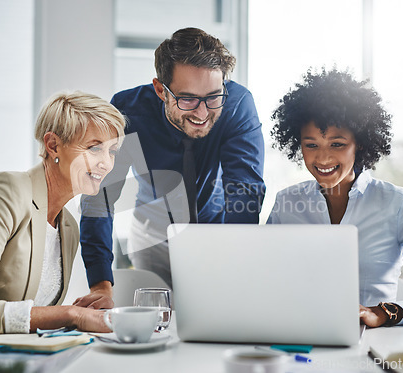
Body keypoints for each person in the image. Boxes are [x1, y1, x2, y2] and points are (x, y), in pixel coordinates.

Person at [76, 27, 265, 306]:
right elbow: (99, 197)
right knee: (158, 322)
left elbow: (244, 191)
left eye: (213, 96)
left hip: (216, 228)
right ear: (160, 90)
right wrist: (100, 283)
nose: (202, 113)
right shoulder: (127, 110)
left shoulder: (236, 105)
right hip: (152, 233)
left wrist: (234, 263)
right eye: (187, 99)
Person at [0, 91, 125, 348]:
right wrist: (71, 315)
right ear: (53, 145)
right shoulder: (4, 191)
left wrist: (81, 314)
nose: (106, 163)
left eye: (112, 151)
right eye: (94, 148)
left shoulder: (68, 226)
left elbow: (30, 323)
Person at [268, 68, 403, 327]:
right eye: (311, 145)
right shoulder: (286, 203)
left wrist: (385, 313)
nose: (323, 159)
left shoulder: (398, 204)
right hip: (297, 337)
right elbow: (263, 282)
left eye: (337, 144)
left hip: (371, 345)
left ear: (359, 142)